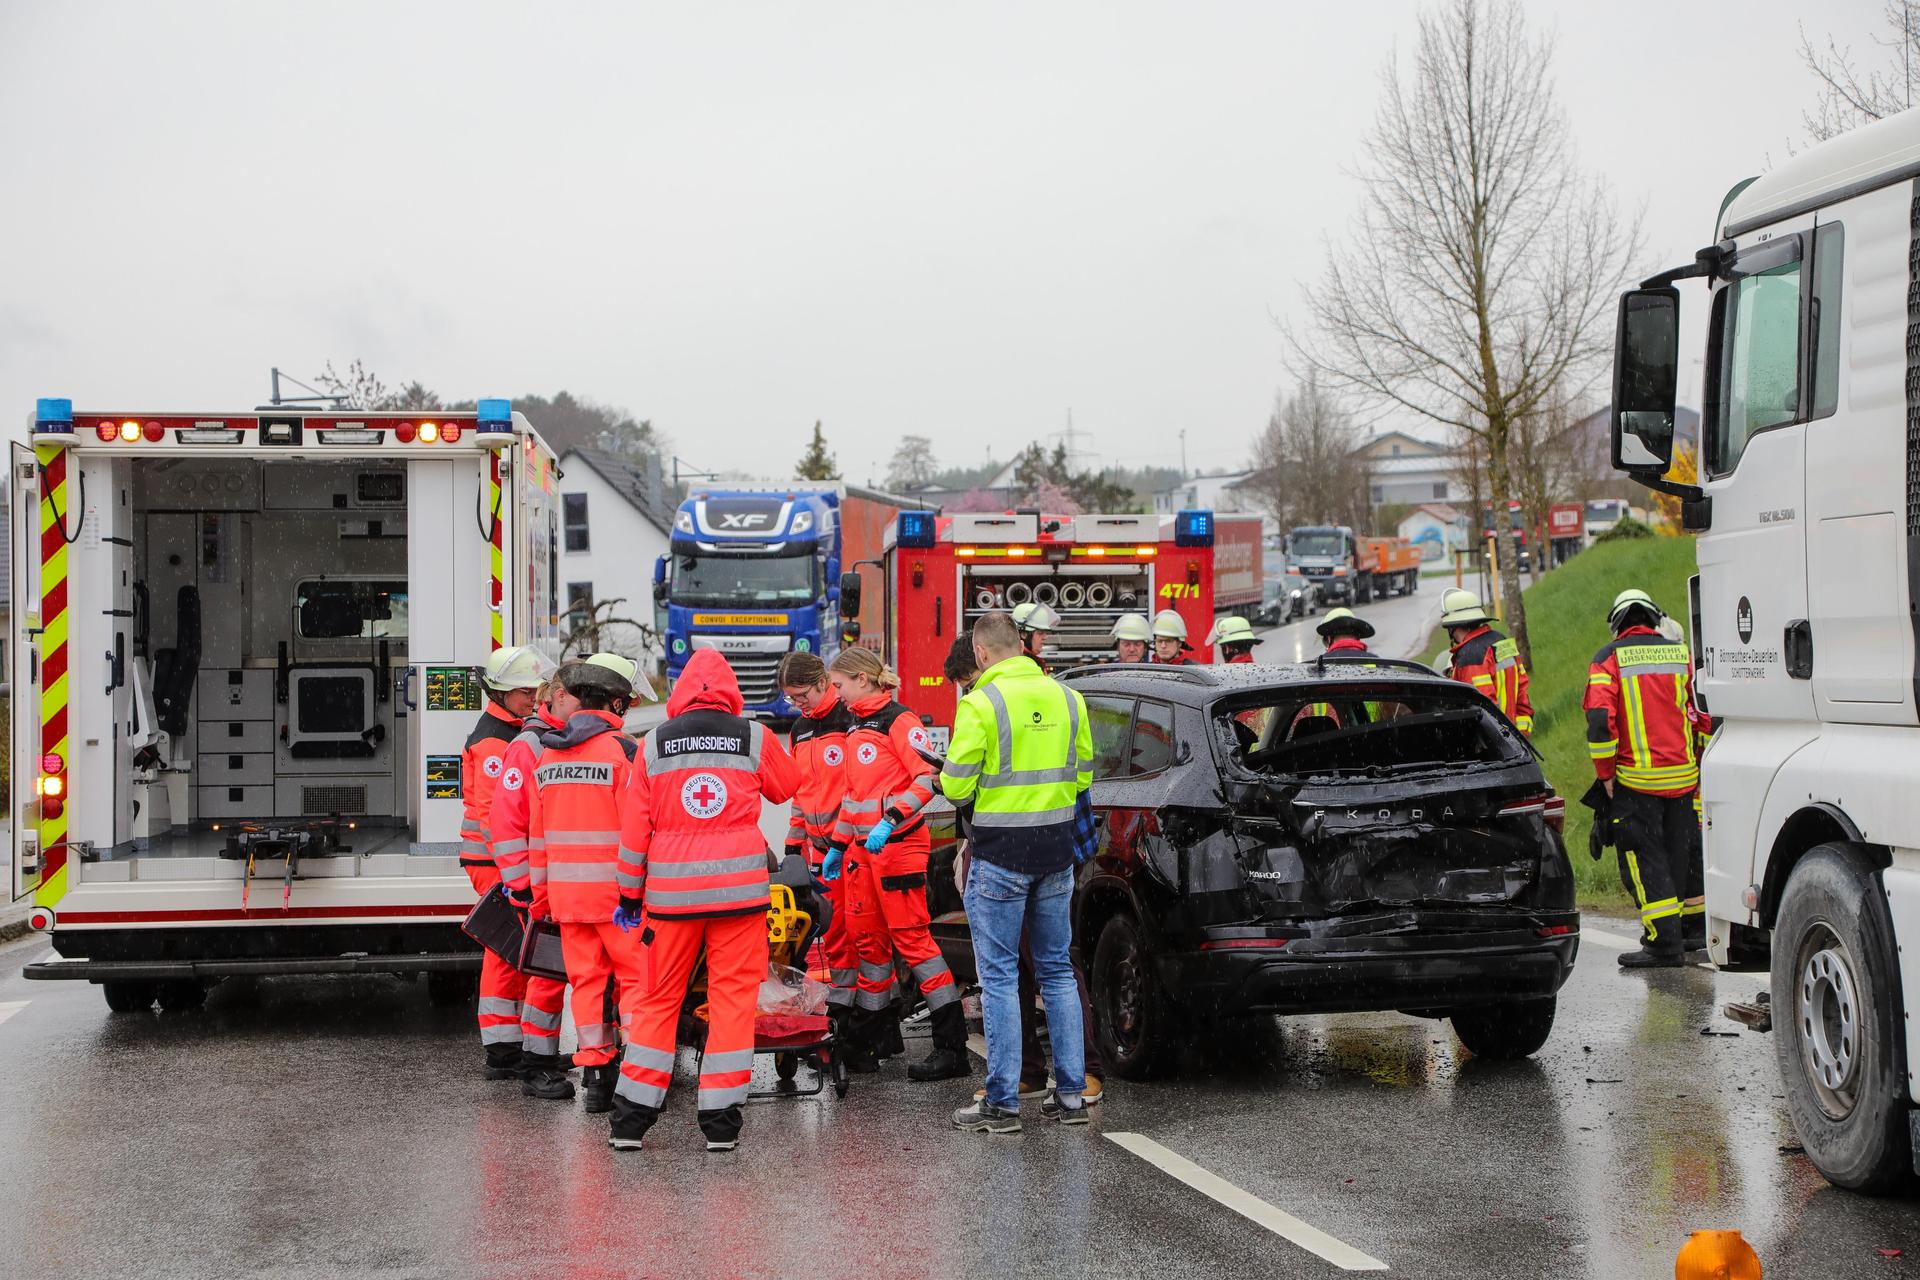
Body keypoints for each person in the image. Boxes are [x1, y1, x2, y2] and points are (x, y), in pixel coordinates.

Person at [609, 649, 798, 1152]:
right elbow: (788, 788)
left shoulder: (651, 746)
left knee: (654, 1001)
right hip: (739, 898)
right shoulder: (752, 736)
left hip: (670, 900)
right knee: (733, 1002)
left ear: (681, 693)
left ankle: (630, 1120)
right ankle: (720, 1124)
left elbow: (634, 833)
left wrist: (629, 894)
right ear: (731, 691)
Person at [943, 611, 1094, 1132]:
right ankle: (1072, 1096)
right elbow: (1083, 777)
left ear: (981, 653)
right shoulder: (1069, 697)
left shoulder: (980, 702)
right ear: (1021, 645)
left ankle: (1002, 1103)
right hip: (1055, 855)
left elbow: (957, 787)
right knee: (1055, 971)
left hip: (1000, 855)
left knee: (1001, 978)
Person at [824, 646, 970, 1081]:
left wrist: (890, 820)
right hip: (864, 853)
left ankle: (951, 1047)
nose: (837, 694)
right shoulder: (856, 726)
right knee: (869, 944)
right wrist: (837, 844)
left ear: (863, 681)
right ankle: (869, 1039)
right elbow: (854, 799)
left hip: (899, 847)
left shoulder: (899, 721)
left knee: (914, 946)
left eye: (840, 685)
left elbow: (927, 780)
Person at [525, 656, 644, 1113]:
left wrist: (541, 898)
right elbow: (638, 830)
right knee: (635, 983)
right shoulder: (624, 752)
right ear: (614, 704)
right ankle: (636, 1076)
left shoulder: (548, 754)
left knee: (587, 984)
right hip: (619, 899)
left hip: (568, 900)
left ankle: (595, 1078)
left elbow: (538, 839)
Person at [1585, 589, 1710, 969]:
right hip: (1685, 778)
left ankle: (1662, 944)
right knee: (1683, 854)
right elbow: (1702, 715)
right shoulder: (1680, 654)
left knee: (1645, 858)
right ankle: (1693, 934)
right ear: (1654, 618)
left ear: (1617, 623)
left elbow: (1600, 722)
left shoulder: (1607, 659)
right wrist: (1700, 761)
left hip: (1637, 781)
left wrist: (1606, 776)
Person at [459, 645, 552, 1079]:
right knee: (507, 952)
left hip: (502, 863)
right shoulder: (494, 741)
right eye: (522, 691)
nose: (532, 697)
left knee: (517, 951)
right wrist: (518, 873)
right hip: (495, 864)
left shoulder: (507, 730)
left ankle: (508, 1046)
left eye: (535, 688)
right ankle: (502, 1052)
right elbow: (495, 817)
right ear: (498, 693)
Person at [491, 671, 574, 1099]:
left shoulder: (569, 740)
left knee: (558, 974)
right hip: (541, 887)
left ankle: (544, 1057)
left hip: (567, 884)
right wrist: (521, 884)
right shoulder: (530, 746)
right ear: (559, 698)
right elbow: (506, 822)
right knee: (547, 974)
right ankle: (534, 1063)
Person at [777, 651, 857, 1022]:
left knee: (857, 932)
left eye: (801, 695)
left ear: (823, 682)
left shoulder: (849, 718)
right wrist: (794, 842)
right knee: (833, 932)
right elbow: (801, 793)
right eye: (790, 699)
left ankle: (864, 1014)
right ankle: (842, 1006)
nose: (797, 704)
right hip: (820, 849)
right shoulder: (799, 730)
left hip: (854, 845)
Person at [1438, 588, 1533, 735]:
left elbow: (1482, 709)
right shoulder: (1500, 640)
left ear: (1452, 627)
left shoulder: (1470, 656)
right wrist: (1522, 736)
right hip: (1514, 738)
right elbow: (1521, 692)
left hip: (1494, 742)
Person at [1010, 601, 1061, 670]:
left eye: (1045, 632)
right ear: (1024, 634)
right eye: (1040, 633)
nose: (1045, 637)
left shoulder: (1026, 662)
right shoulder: (1023, 666)